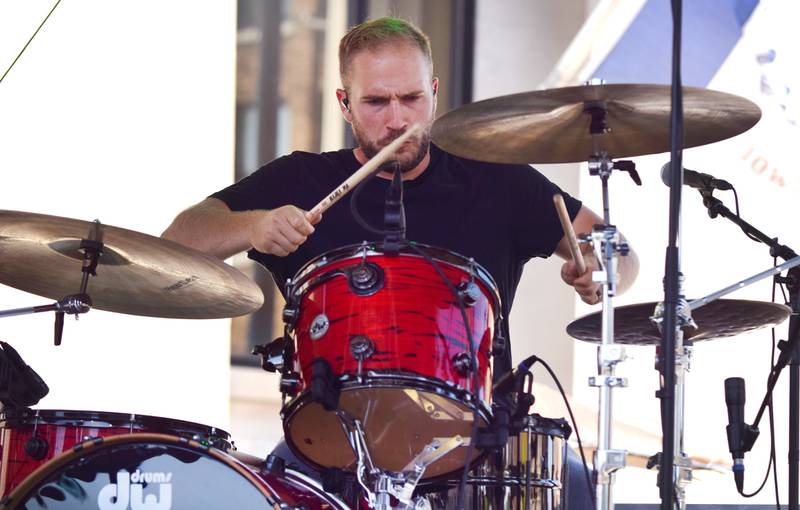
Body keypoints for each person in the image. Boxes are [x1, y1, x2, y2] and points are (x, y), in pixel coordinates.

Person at [163, 16, 638, 508]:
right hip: (332, 437)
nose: (397, 120)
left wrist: (601, 274)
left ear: (434, 93)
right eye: (376, 102)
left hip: (480, 441)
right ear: (345, 104)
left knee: (577, 487)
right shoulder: (301, 181)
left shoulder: (499, 181)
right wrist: (253, 226)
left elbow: (618, 252)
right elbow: (179, 239)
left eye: (412, 99)